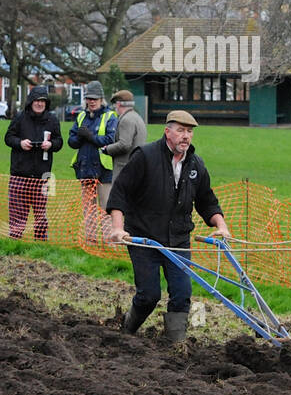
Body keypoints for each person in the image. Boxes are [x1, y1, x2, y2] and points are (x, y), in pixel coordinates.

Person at [106, 109, 231, 342]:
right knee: (149, 295)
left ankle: (177, 346)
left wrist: (221, 225)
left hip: (178, 239)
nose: (186, 136)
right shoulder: (145, 156)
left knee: (182, 294)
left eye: (190, 131)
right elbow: (120, 192)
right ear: (167, 132)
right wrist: (117, 227)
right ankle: (126, 333)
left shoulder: (195, 164)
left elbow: (207, 200)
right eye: (181, 130)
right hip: (145, 238)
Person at [4, 86, 63, 240]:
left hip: (43, 174)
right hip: (20, 174)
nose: (39, 104)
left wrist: (51, 145)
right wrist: (20, 143)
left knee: (40, 211)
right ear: (30, 102)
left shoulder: (52, 120)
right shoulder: (20, 117)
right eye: (36, 100)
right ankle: (15, 239)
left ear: (46, 103)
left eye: (42, 101)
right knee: (17, 211)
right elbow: (8, 138)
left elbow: (59, 141)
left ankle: (41, 240)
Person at [67, 80, 118, 242]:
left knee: (105, 208)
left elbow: (110, 139)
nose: (92, 101)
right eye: (89, 98)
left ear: (101, 99)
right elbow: (71, 141)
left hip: (104, 170)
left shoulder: (110, 116)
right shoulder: (81, 116)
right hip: (85, 168)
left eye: (95, 98)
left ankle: (108, 241)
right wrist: (81, 138)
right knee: (88, 208)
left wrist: (91, 137)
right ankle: (91, 240)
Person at [103, 88, 147, 174]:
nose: (115, 107)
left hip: (125, 168)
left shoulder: (126, 120)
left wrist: (107, 149)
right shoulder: (137, 117)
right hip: (136, 166)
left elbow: (124, 144)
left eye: (115, 105)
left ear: (118, 104)